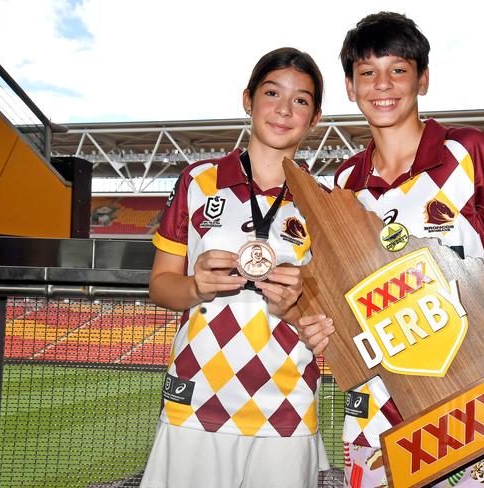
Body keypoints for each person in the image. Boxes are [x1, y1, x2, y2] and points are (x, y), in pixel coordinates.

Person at [296, 12, 484, 488]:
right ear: (349, 86)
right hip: (374, 426)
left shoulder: (469, 152)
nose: (382, 84)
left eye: (398, 70)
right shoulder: (342, 182)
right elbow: (334, 301)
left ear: (422, 78)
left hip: (477, 412)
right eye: (367, 72)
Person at [140, 47, 329, 488]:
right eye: (271, 93)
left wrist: (300, 305)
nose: (284, 110)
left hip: (288, 397)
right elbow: (160, 286)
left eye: (301, 100)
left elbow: (325, 314)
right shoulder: (197, 180)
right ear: (248, 100)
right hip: (198, 392)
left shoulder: (323, 201)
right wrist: (196, 287)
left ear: (315, 118)